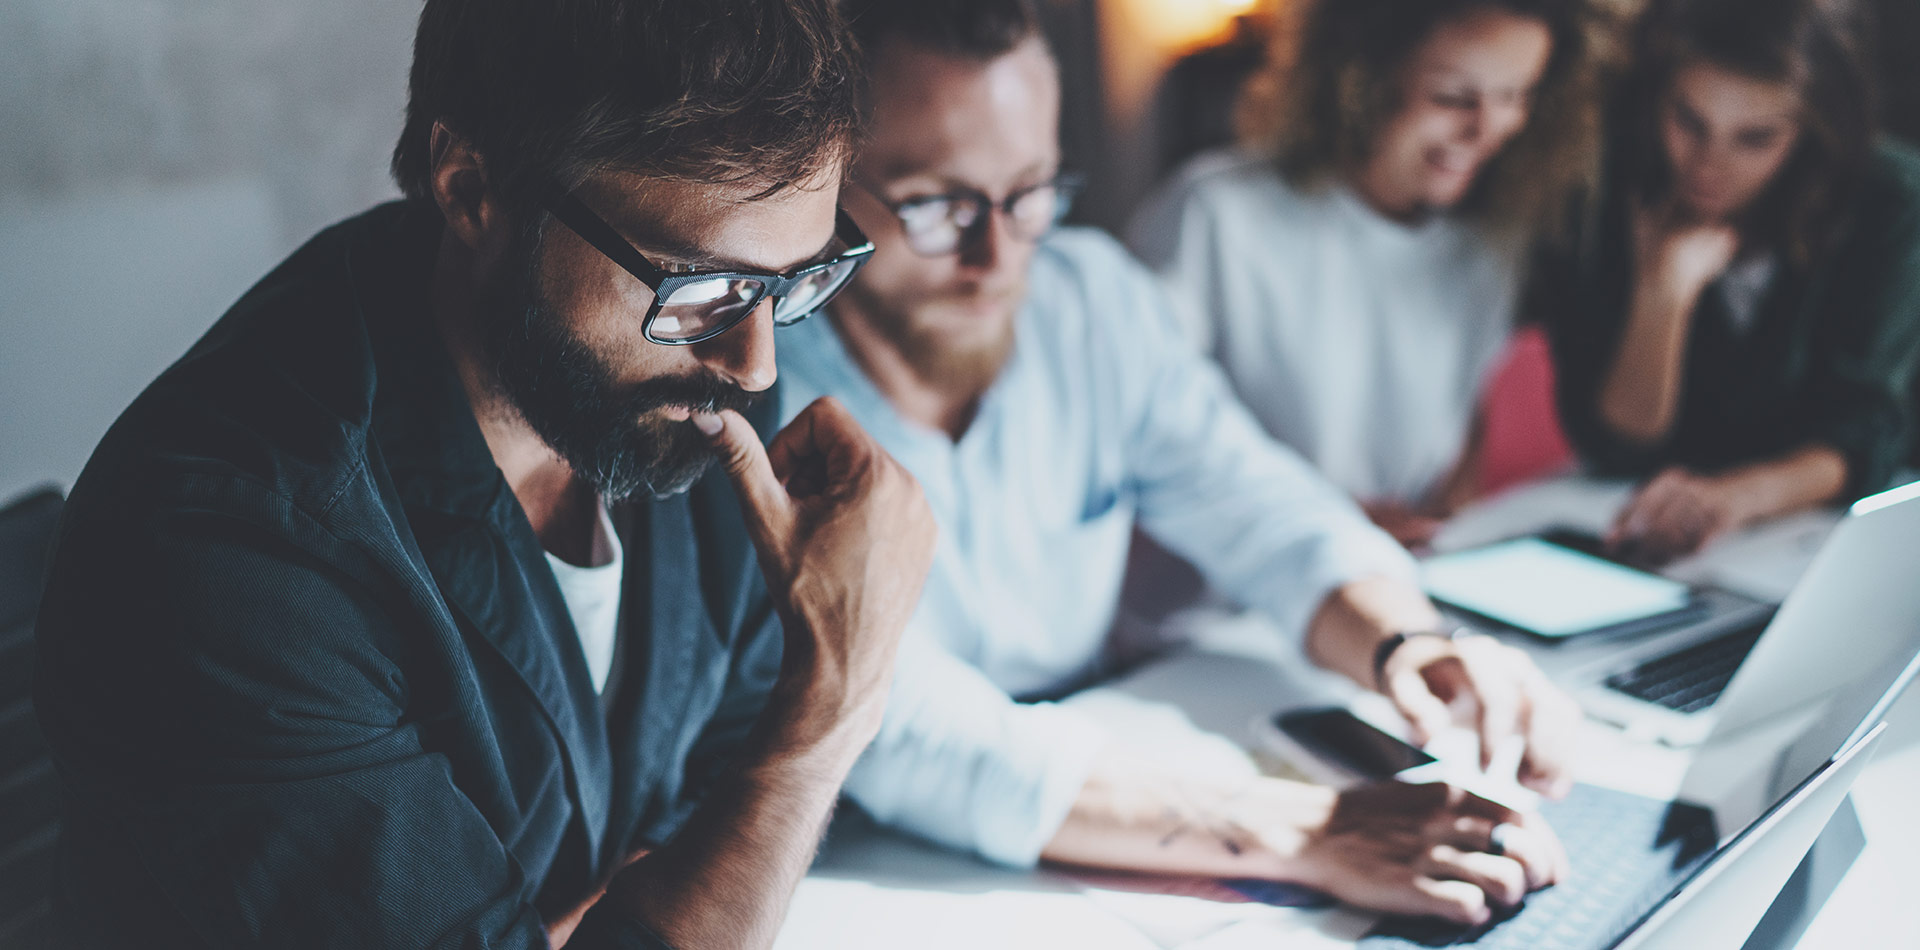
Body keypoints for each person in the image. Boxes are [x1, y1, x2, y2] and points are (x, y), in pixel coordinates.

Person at [31, 1, 937, 948]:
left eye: (791, 282)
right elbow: (746, 801)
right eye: (702, 284)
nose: (757, 364)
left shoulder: (665, 396)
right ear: (471, 190)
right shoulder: (232, 548)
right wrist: (831, 709)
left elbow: (709, 801)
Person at [779, 0, 1582, 927]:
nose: (995, 256)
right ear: (824, 182)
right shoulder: (758, 386)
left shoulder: (1092, 299)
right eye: (935, 203)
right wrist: (1306, 832)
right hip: (873, 875)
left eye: (1030, 191)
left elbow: (1258, 502)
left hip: (1105, 809)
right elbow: (899, 725)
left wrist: (1412, 644)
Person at [1130, 0, 1608, 547]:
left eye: (1516, 96)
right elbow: (1139, 438)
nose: (1490, 129)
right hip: (1220, 604)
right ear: (1360, 78)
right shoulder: (1214, 215)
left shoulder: (1490, 244)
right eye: (1452, 97)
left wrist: (1440, 523)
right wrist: (1321, 519)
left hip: (1385, 580)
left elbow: (1460, 435)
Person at [1544, 0, 1920, 562]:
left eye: (1755, 138)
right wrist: (1662, 296)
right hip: (1636, 519)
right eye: (1689, 122)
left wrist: (1729, 500)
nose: (1707, 164)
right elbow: (1614, 445)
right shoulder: (1610, 182)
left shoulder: (1886, 201)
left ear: (1810, 130)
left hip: (1802, 537)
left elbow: (1863, 431)